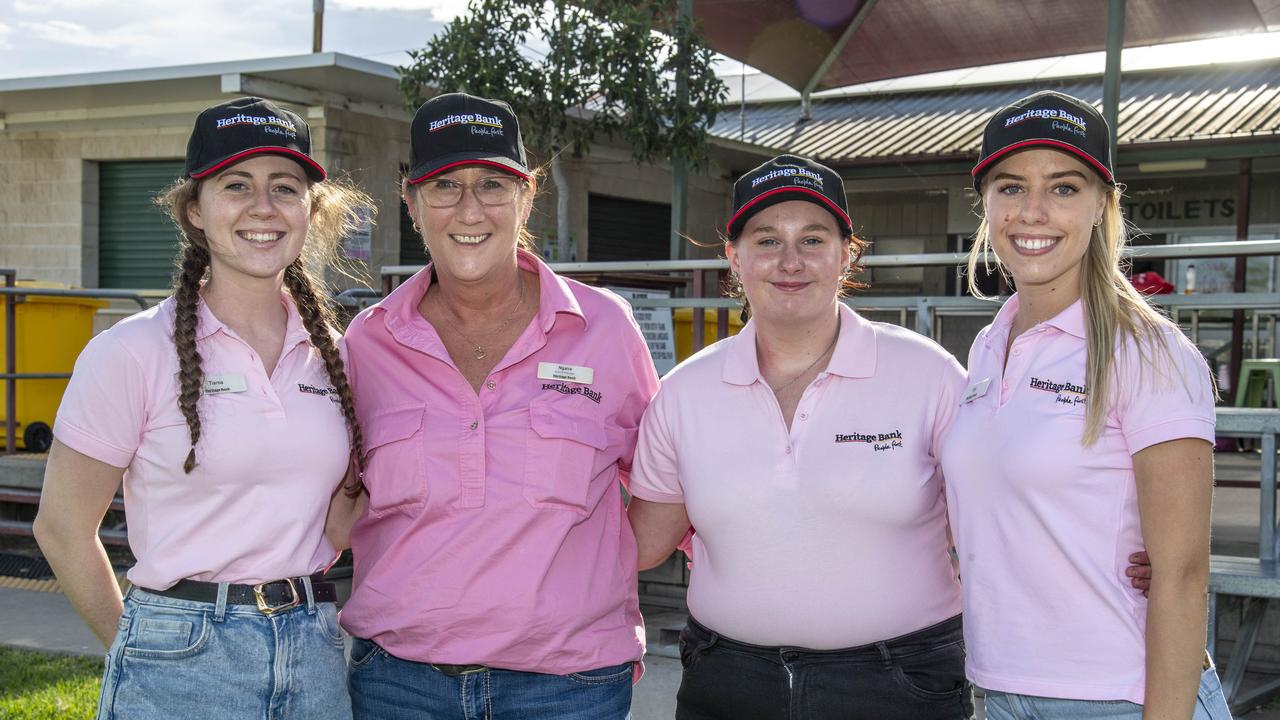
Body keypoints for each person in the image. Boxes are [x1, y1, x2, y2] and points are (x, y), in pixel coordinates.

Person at [34, 97, 369, 719]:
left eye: (285, 187)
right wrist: (137, 648)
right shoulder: (130, 353)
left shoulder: (338, 357)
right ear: (195, 210)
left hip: (314, 647)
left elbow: (336, 524)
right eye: (236, 185)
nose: (263, 207)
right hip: (178, 656)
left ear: (309, 211)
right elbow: (60, 528)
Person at [339, 92, 659, 720]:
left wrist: (587, 579)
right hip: (401, 686)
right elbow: (335, 496)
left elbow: (663, 484)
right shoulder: (368, 344)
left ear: (527, 195)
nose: (469, 209)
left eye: (492, 184)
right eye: (444, 186)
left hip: (570, 687)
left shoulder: (602, 328)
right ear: (410, 201)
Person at [627, 154, 974, 720]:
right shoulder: (684, 392)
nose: (790, 261)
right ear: (734, 259)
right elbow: (643, 543)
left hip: (898, 685)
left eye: (813, 240)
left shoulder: (927, 374)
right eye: (767, 240)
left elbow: (994, 522)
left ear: (846, 255)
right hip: (727, 683)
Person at [940, 90, 1231, 719]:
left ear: (1102, 203)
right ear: (986, 203)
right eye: (1011, 188)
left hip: (1121, 698)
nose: (1033, 211)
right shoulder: (991, 344)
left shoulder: (1148, 352)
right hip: (1002, 690)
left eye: (1064, 188)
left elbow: (1181, 574)